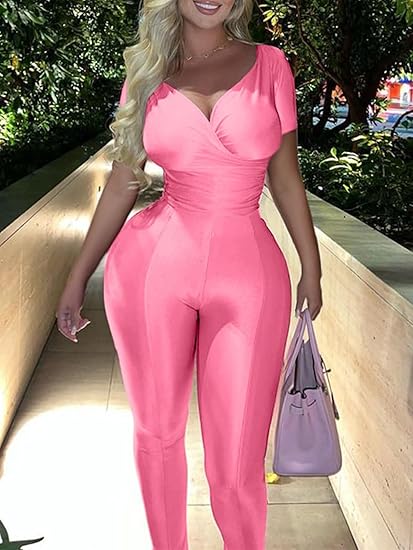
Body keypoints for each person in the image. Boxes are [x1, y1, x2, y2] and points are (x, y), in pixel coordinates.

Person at [55, 0, 323, 547]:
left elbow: (286, 177)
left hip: (250, 277)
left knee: (238, 464)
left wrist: (311, 266)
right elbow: (123, 181)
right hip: (153, 268)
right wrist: (78, 275)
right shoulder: (148, 70)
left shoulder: (271, 64)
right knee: (156, 434)